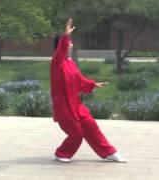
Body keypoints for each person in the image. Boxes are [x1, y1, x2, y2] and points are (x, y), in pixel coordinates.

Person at [50, 18, 127, 163]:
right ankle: (61, 153)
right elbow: (60, 52)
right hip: (64, 108)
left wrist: (92, 84)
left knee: (91, 126)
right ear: (61, 45)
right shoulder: (56, 63)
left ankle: (109, 152)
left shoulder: (70, 63)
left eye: (71, 42)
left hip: (76, 105)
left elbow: (79, 80)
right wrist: (66, 35)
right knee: (77, 134)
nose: (71, 45)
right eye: (68, 43)